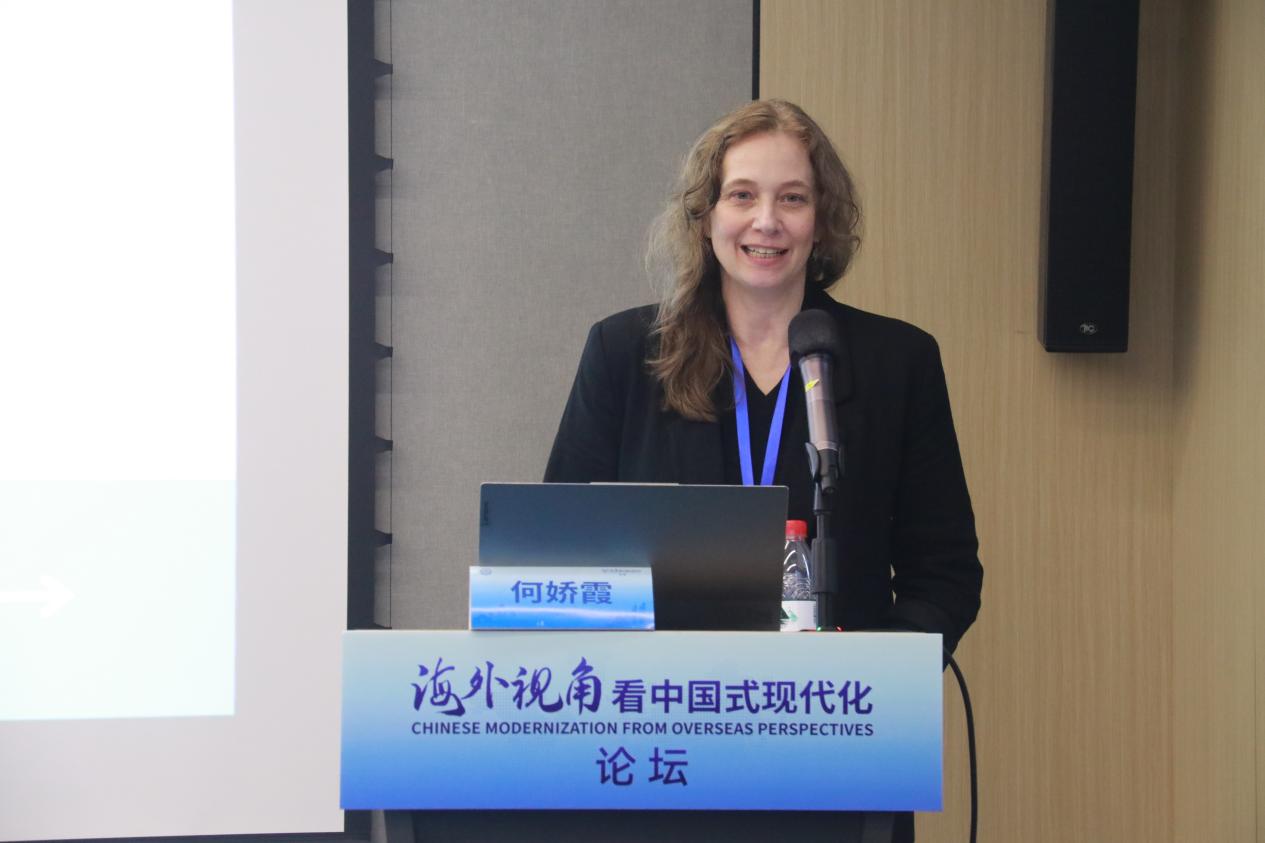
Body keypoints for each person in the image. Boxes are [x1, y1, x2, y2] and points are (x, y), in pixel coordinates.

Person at [545, 97, 981, 652]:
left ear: (821, 222)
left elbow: (944, 572)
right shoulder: (624, 352)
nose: (767, 221)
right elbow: (559, 550)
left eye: (793, 198)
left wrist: (878, 673)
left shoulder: (898, 362)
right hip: (663, 688)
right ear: (705, 217)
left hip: (834, 695)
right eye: (742, 195)